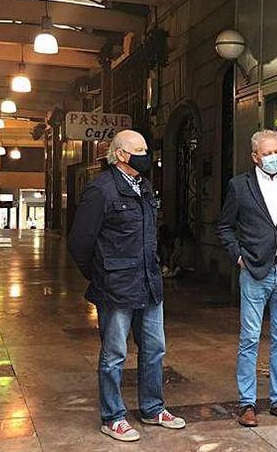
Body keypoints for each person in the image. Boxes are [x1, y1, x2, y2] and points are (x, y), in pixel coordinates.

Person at [68, 129, 186, 443]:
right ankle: (113, 416)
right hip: (116, 287)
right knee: (114, 354)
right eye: (140, 149)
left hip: (149, 283)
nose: (147, 155)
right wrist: (100, 276)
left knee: (154, 349)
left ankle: (152, 407)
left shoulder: (145, 187)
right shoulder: (101, 190)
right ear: (121, 154)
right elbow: (80, 242)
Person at [217, 129, 277, 428]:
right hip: (254, 272)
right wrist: (238, 256)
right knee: (249, 339)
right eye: (268, 153)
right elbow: (224, 227)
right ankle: (247, 403)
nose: (274, 157)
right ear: (255, 156)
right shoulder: (239, 186)